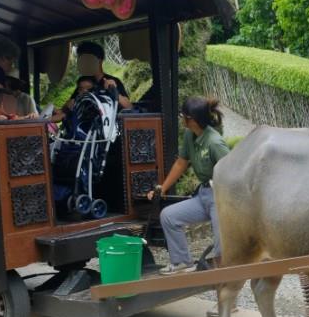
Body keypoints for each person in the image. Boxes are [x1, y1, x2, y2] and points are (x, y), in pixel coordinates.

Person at [147, 97, 230, 284]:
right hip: (204, 195)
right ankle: (182, 262)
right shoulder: (189, 135)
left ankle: (227, 300)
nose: (181, 118)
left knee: (221, 249)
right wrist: (163, 187)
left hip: (221, 198)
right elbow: (181, 162)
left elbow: (233, 173)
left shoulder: (215, 143)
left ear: (191, 119)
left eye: (182, 115)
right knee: (168, 216)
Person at [74, 41, 134, 110]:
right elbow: (71, 104)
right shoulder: (83, 83)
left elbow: (129, 107)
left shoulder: (113, 82)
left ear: (99, 60)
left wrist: (114, 92)